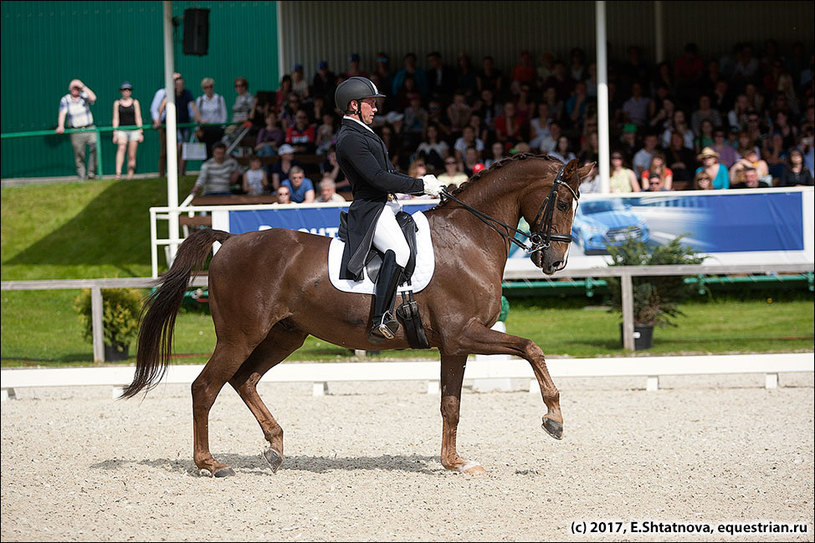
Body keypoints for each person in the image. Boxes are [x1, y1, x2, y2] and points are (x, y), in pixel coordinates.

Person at [333, 76, 444, 342]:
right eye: (371, 103)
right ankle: (380, 318)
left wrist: (420, 185)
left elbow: (389, 173)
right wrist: (420, 185)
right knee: (400, 251)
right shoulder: (350, 138)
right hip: (372, 208)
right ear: (353, 105)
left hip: (387, 205)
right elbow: (377, 178)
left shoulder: (363, 133)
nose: (376, 108)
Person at [159, 74, 202, 176]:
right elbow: (162, 105)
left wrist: (199, 119)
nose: (180, 86)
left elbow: (192, 106)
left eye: (181, 84)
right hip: (175, 125)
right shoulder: (170, 94)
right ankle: (173, 170)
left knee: (184, 147)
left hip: (185, 124)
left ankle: (181, 171)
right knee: (179, 145)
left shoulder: (187, 94)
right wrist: (158, 120)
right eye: (178, 84)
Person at [56, 79, 97, 180]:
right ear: (70, 89)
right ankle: (82, 176)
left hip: (89, 127)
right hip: (75, 130)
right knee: (79, 153)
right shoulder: (65, 99)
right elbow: (62, 113)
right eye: (74, 88)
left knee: (95, 146)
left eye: (77, 88)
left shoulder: (84, 96)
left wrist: (82, 86)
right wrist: (61, 125)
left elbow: (93, 98)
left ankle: (91, 173)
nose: (76, 90)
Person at [111, 81, 143, 180]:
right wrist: (115, 133)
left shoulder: (135, 103)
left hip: (134, 131)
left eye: (128, 90)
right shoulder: (117, 103)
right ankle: (118, 173)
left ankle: (130, 175)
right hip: (121, 130)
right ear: (121, 91)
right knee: (121, 149)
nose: (126, 92)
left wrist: (140, 131)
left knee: (131, 154)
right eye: (124, 90)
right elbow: (115, 118)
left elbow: (138, 117)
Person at [195, 77, 227, 159]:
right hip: (205, 129)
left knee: (217, 148)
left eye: (210, 86)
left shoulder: (219, 99)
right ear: (203, 88)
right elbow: (197, 115)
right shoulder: (200, 100)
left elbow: (223, 114)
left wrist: (222, 128)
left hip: (217, 129)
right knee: (206, 150)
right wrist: (197, 128)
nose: (208, 89)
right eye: (206, 87)